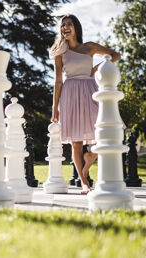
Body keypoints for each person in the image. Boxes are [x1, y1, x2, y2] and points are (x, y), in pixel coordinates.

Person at [49, 14, 120, 194]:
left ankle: (90, 159)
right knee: (76, 143)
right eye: (63, 25)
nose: (65, 27)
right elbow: (58, 81)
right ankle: (84, 182)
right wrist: (54, 107)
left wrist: (95, 70)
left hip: (91, 89)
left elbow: (115, 55)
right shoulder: (60, 52)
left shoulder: (89, 47)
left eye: (69, 24)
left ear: (76, 28)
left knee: (104, 131)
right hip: (70, 92)